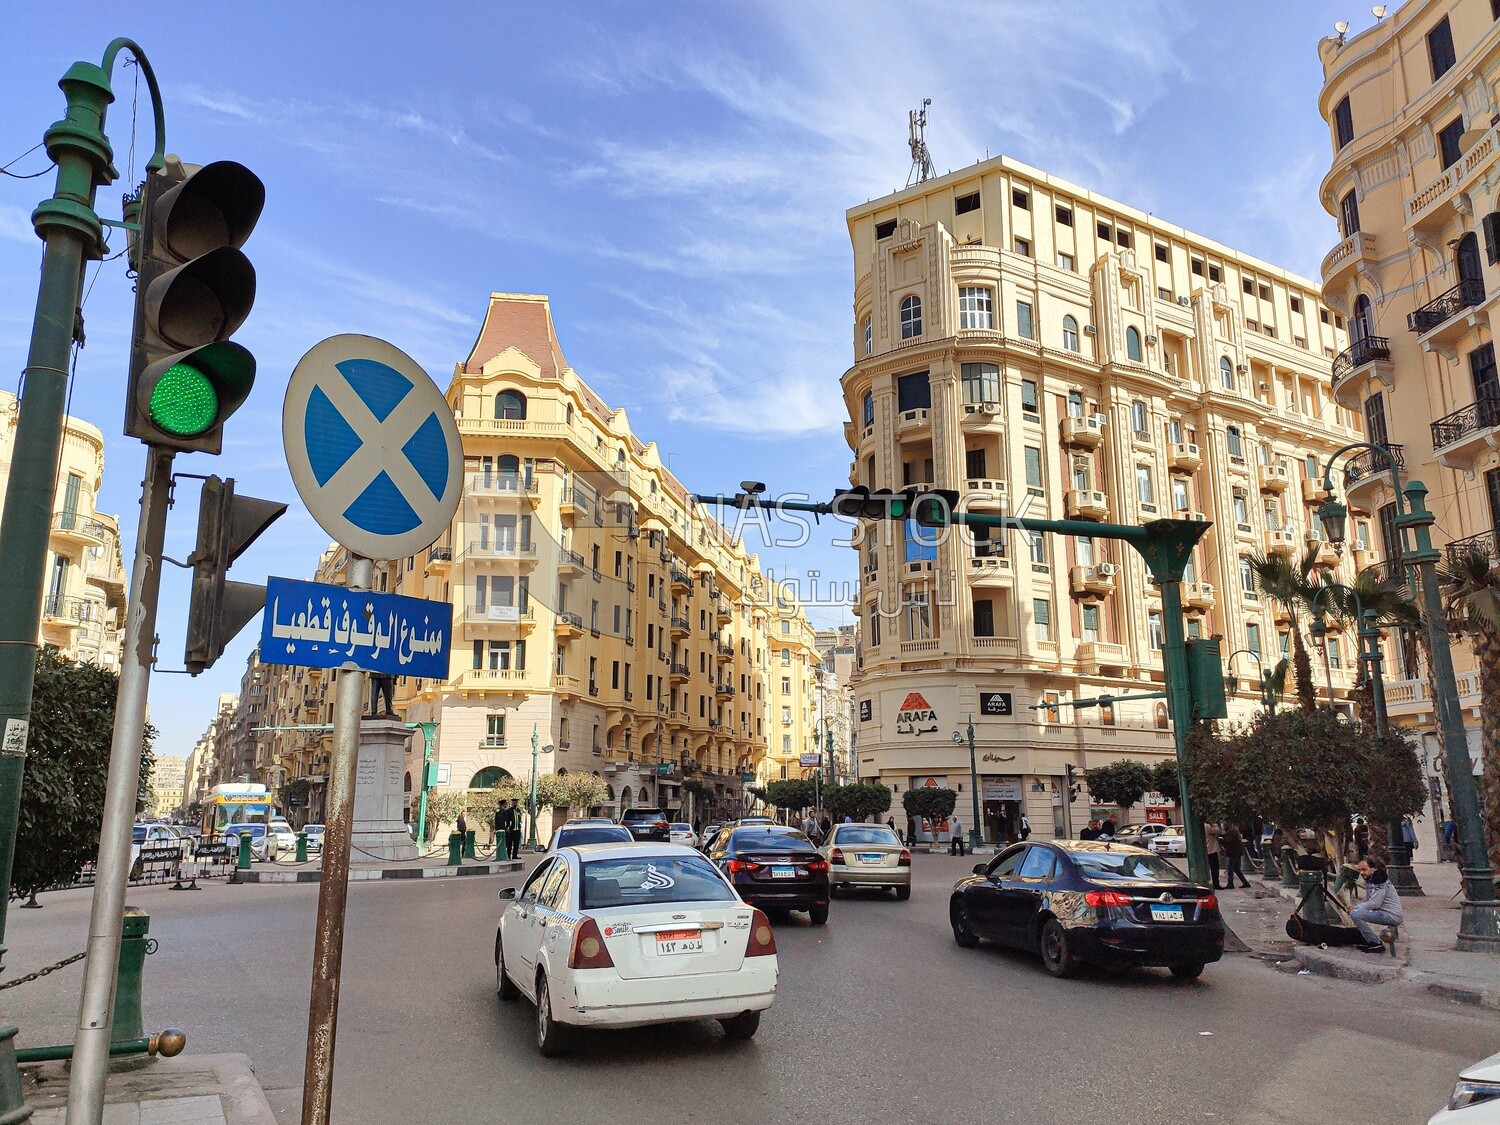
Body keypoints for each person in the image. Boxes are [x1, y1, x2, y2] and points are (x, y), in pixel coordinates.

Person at [1351, 857, 1404, 953]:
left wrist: (1356, 908)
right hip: (1384, 912)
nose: (1362, 872)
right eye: (1360, 870)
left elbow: (1375, 903)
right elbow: (1367, 899)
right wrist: (1356, 905)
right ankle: (1368, 939)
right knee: (1355, 912)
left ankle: (1375, 943)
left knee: (1355, 914)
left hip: (1391, 915)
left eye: (1364, 869)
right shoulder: (1370, 879)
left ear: (1372, 869)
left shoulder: (1379, 880)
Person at [1222, 824, 1251, 888]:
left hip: (1233, 852)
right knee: (1235, 868)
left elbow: (1228, 840)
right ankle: (1245, 882)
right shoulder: (1233, 831)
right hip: (1234, 852)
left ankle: (1230, 883)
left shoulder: (1232, 832)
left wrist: (1222, 837)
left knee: (1230, 868)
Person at [1204, 821, 1222, 889]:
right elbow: (1218, 830)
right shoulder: (1207, 826)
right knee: (1214, 868)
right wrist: (1214, 824)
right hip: (1211, 850)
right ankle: (1216, 884)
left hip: (1206, 849)